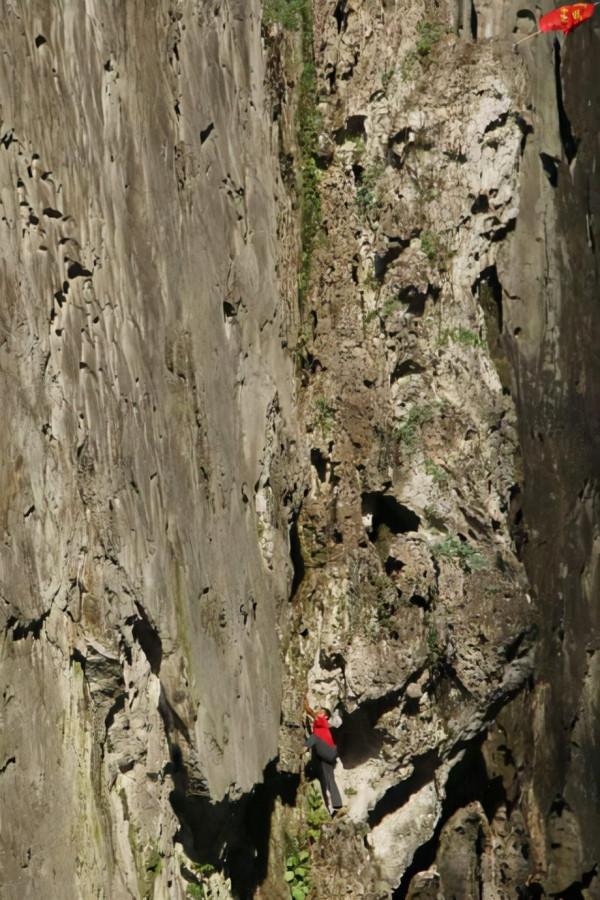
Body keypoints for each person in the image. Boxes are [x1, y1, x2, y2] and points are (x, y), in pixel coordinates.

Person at [303, 697, 344, 815]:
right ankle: (336, 805)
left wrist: (305, 702)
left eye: (321, 712)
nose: (318, 713)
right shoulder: (319, 724)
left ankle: (304, 747)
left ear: (326, 716)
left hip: (328, 751)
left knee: (315, 737)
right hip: (327, 755)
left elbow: (311, 712)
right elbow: (312, 716)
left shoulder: (323, 723)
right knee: (328, 779)